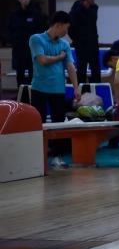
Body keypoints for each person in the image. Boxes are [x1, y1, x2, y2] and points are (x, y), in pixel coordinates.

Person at [29, 11, 81, 163]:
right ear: (58, 25)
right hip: (39, 88)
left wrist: (76, 88)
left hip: (58, 89)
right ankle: (38, 155)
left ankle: (57, 155)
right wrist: (59, 57)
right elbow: (42, 60)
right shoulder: (36, 39)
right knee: (39, 122)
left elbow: (70, 66)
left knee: (58, 123)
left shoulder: (64, 44)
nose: (66, 33)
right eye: (65, 29)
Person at [8, 0, 47, 86]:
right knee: (20, 75)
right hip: (19, 49)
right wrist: (12, 41)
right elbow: (9, 30)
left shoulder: (36, 14)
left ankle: (32, 97)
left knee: (33, 74)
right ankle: (20, 97)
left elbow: (41, 31)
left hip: (32, 50)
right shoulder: (13, 15)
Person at [69, 0, 101, 83]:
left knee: (96, 69)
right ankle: (80, 93)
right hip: (81, 44)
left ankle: (97, 91)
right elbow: (70, 26)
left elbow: (92, 22)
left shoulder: (94, 8)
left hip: (93, 43)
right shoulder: (76, 9)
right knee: (81, 69)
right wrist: (76, 39)